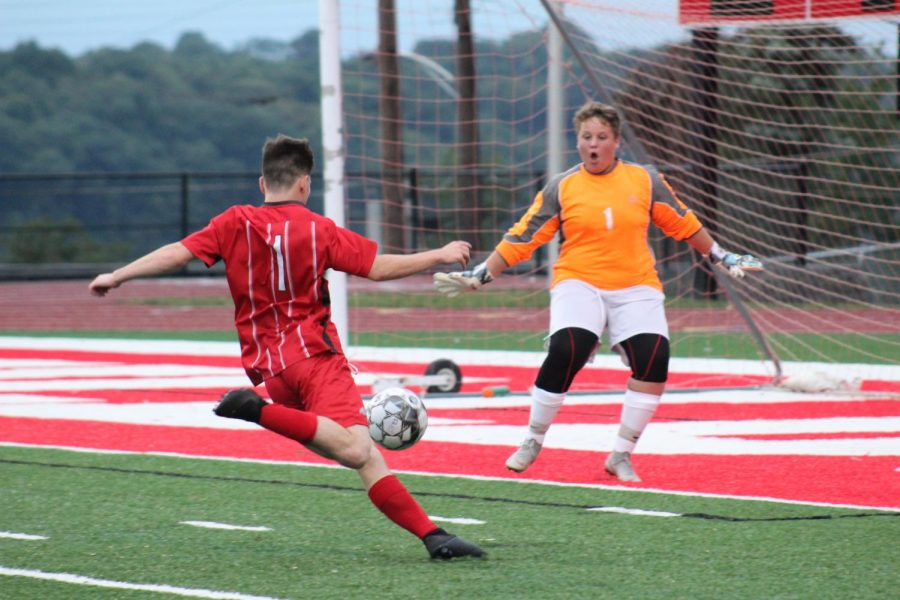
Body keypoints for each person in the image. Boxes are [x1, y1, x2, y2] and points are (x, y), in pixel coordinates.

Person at [89, 134, 485, 559]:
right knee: (357, 448)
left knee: (363, 457)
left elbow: (178, 253)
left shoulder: (233, 222)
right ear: (304, 184)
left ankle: (434, 538)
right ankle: (254, 410)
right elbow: (378, 268)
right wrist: (439, 254)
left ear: (263, 183)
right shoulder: (319, 230)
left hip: (272, 371)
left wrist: (119, 274)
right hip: (315, 357)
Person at [434, 101, 762, 482]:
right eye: (586, 137)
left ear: (616, 142)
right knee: (566, 347)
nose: (593, 145)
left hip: (636, 283)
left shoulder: (645, 179)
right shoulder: (563, 185)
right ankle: (533, 439)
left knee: (654, 357)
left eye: (601, 137)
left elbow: (682, 222)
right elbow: (523, 237)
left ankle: (621, 454)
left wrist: (722, 255)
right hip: (579, 280)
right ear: (578, 142)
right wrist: (481, 274)